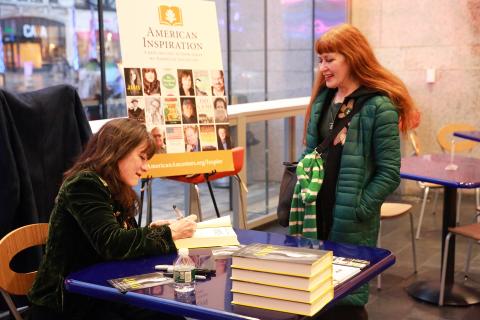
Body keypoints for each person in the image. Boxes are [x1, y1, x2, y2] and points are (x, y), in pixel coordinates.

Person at [295, 24, 418, 320]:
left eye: (329, 59)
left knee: (346, 299)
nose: (322, 67)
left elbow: (389, 172)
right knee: (310, 293)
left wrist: (359, 208)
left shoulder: (379, 106)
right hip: (313, 211)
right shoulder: (323, 100)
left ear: (352, 57)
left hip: (350, 216)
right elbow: (310, 153)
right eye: (320, 59)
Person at [27, 118, 197, 319]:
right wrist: (171, 233)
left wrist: (153, 228)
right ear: (118, 151)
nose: (146, 167)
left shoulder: (112, 185)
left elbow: (120, 237)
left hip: (98, 289)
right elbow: (112, 243)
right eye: (142, 157)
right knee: (165, 314)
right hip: (67, 302)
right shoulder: (83, 184)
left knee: (167, 311)